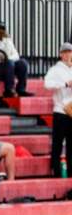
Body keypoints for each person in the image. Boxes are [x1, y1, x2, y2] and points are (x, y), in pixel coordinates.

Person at [44, 42, 72, 178]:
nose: (68, 55)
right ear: (61, 54)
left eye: (70, 52)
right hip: (61, 110)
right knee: (57, 144)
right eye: (65, 52)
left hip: (71, 111)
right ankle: (55, 172)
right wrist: (65, 84)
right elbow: (47, 84)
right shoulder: (55, 69)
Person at [0, 21, 31, 98]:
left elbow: (16, 55)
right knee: (9, 63)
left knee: (23, 63)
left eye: (2, 29)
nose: (1, 31)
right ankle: (8, 90)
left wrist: (7, 41)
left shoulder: (7, 40)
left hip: (5, 67)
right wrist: (10, 59)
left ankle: (21, 89)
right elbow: (5, 55)